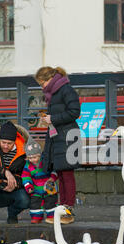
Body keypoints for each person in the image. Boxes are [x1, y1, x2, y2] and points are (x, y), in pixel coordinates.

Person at [35, 66, 81, 216]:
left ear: (49, 79)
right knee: (61, 172)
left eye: (42, 83)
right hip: (59, 135)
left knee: (67, 173)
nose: (42, 87)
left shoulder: (65, 90)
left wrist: (52, 118)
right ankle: (63, 204)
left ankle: (69, 205)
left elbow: (75, 111)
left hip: (68, 135)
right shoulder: (54, 93)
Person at [21, 136, 74, 225]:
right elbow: (26, 177)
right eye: (30, 158)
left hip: (49, 188)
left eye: (35, 157)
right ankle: (36, 217)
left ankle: (52, 216)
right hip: (36, 189)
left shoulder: (45, 162)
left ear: (39, 155)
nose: (33, 160)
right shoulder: (27, 166)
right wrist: (28, 186)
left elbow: (54, 170)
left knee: (51, 203)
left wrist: (52, 178)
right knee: (35, 204)